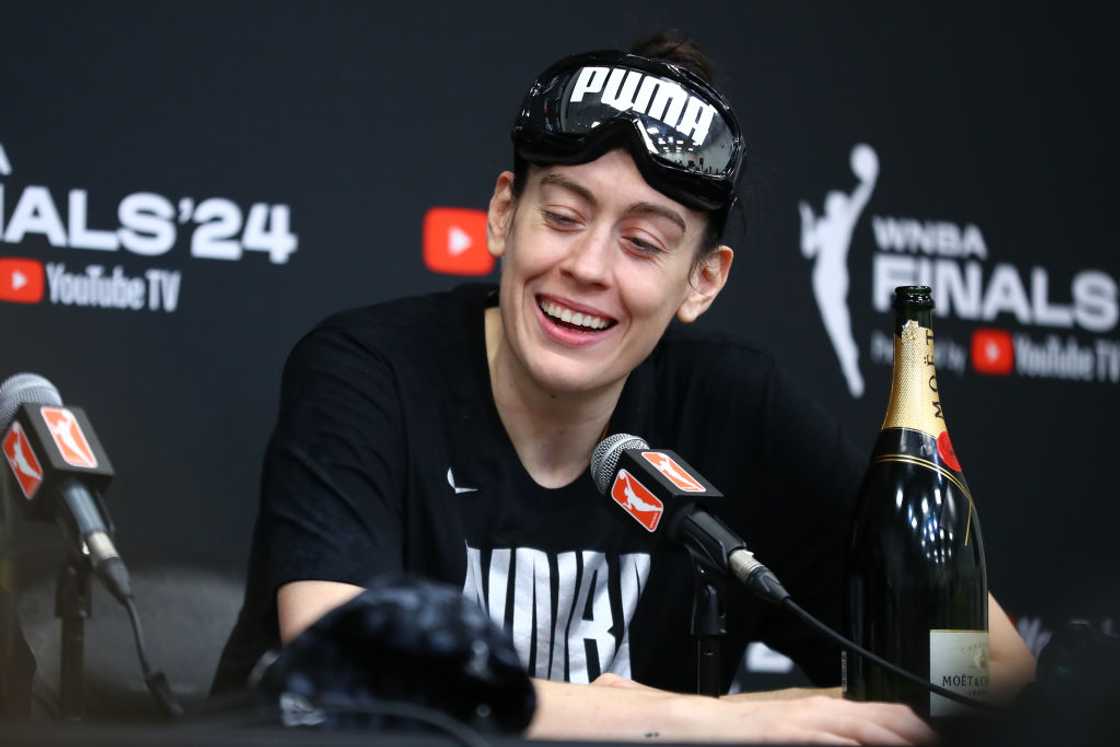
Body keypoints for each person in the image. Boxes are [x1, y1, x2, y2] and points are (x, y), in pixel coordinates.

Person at [214, 32, 1035, 744]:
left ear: (703, 281)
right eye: (563, 216)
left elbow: (992, 666)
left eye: (643, 242)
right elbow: (346, 667)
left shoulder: (738, 408)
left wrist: (773, 712)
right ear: (504, 214)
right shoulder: (367, 370)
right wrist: (701, 720)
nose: (587, 266)